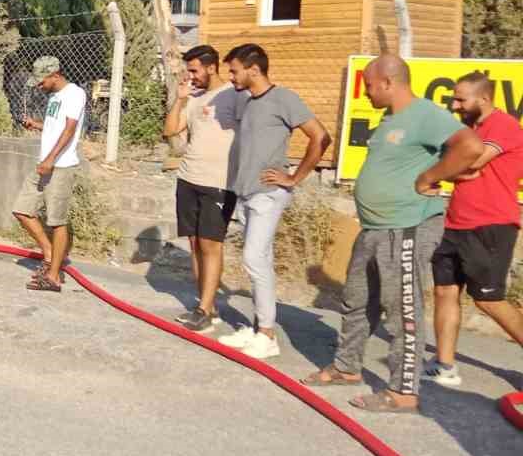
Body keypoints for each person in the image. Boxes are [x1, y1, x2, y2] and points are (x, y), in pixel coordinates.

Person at [302, 55, 482, 413]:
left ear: (388, 82)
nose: (366, 92)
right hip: (375, 227)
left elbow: (471, 148)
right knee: (356, 298)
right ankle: (347, 366)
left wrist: (430, 178)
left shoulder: (426, 114)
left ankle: (403, 391)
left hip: (407, 225)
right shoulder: (391, 118)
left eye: (369, 85)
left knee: (401, 308)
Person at [221, 44, 331, 359]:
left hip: (269, 193)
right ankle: (259, 329)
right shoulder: (249, 101)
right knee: (260, 260)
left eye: (235, 70)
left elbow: (320, 136)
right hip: (247, 193)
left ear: (253, 70)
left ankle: (267, 336)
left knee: (254, 259)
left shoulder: (283, 98)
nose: (232, 76)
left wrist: (295, 177)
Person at [428, 73, 523, 387]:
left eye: (461, 99)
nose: (454, 105)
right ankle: (444, 365)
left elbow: (472, 164)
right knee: (445, 291)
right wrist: (450, 169)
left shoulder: (504, 126)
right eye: (454, 99)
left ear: (483, 98)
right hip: (455, 222)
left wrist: (449, 169)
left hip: (491, 225)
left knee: (489, 300)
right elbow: (453, 167)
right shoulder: (469, 130)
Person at [163, 45, 240, 331]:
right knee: (195, 244)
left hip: (219, 182)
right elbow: (170, 130)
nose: (190, 76)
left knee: (211, 244)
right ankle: (207, 306)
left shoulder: (233, 96)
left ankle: (204, 310)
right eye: (188, 71)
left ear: (211, 67)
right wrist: (180, 100)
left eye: (194, 70)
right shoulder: (193, 99)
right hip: (188, 179)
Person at [12, 55, 86, 293]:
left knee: (57, 221)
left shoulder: (74, 94)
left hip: (60, 166)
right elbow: (56, 127)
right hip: (45, 164)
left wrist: (52, 159)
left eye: (41, 81)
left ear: (55, 75)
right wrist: (37, 125)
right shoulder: (54, 96)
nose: (39, 86)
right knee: (22, 209)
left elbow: (70, 129)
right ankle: (50, 253)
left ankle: (53, 276)